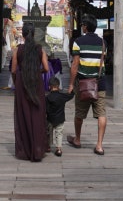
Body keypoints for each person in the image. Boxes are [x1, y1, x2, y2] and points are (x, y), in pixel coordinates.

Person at [67, 13, 107, 156]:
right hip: (99, 83)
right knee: (101, 114)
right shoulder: (103, 43)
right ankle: (99, 145)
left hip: (83, 84)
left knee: (79, 114)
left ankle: (77, 139)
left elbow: (75, 65)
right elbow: (102, 62)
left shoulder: (78, 42)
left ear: (85, 26)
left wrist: (71, 84)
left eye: (82, 25)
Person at [11, 22, 49, 161]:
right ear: (33, 34)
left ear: (23, 34)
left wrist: (17, 81)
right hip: (36, 83)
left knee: (23, 115)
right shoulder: (40, 49)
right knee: (37, 115)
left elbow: (14, 70)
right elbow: (46, 68)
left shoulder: (18, 50)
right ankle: (38, 149)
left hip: (22, 83)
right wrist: (36, 71)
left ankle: (25, 150)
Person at [45, 76, 74, 157]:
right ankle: (59, 149)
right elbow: (71, 96)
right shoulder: (62, 96)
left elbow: (45, 109)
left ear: (49, 86)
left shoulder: (47, 98)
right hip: (60, 119)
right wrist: (72, 89)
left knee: (48, 133)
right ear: (58, 86)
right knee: (59, 133)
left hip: (50, 119)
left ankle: (48, 146)